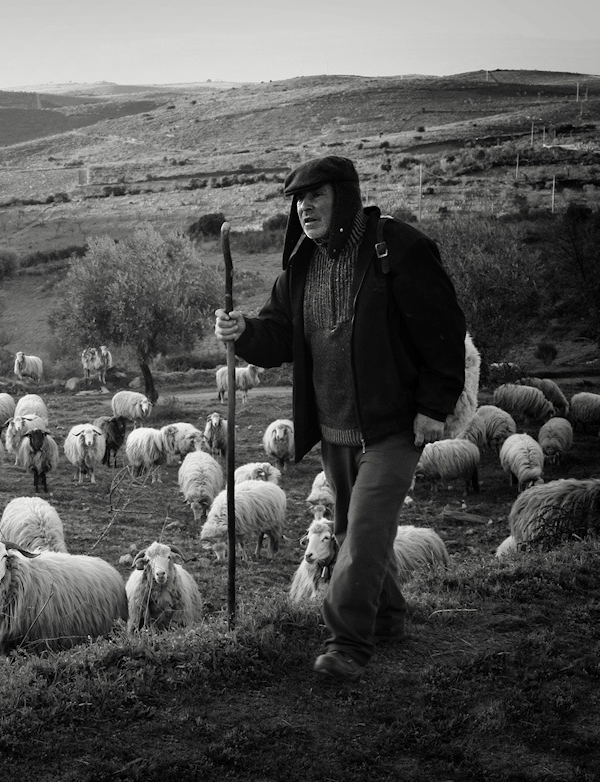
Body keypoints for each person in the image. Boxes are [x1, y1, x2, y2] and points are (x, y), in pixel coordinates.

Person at [214, 155, 466, 682]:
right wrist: (244, 331)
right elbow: (279, 335)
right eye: (298, 201)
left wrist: (433, 406)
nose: (304, 208)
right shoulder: (300, 268)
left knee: (365, 530)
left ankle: (346, 643)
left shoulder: (397, 248)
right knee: (357, 529)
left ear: (345, 197)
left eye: (316, 196)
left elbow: (443, 328)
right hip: (335, 430)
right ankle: (388, 619)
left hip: (393, 425)